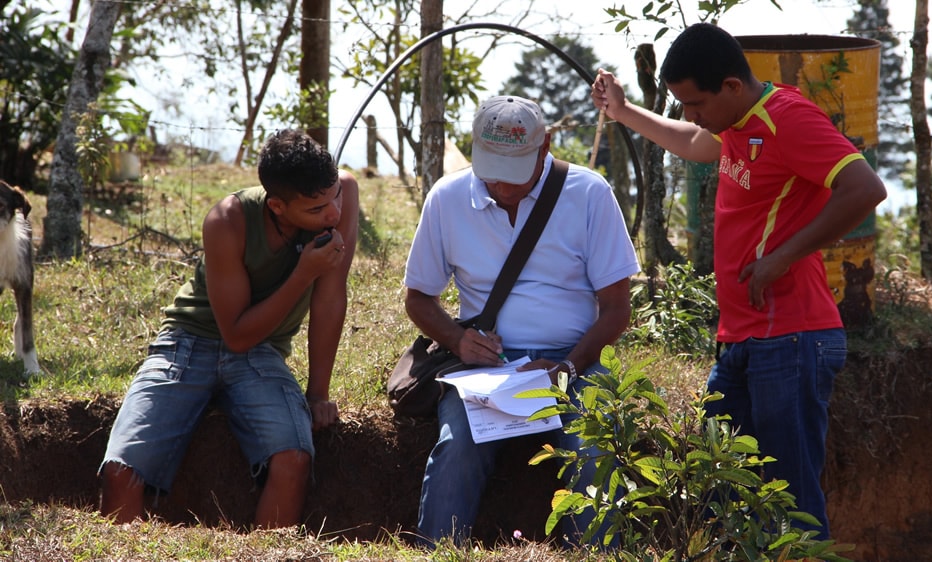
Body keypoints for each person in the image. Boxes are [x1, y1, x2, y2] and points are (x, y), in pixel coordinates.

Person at [591, 23, 887, 540]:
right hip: (743, 338)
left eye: (695, 102)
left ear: (731, 86)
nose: (690, 115)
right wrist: (622, 112)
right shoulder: (734, 123)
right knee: (721, 485)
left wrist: (781, 258)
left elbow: (865, 188)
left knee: (790, 504)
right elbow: (694, 142)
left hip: (791, 338)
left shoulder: (788, 119)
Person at [404, 95, 640, 547]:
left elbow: (616, 309)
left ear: (546, 144)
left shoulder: (589, 195)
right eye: (491, 171)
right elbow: (418, 298)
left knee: (592, 453)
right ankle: (436, 553)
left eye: (514, 173)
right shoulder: (448, 198)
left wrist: (567, 367)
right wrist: (458, 340)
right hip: (484, 373)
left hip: (577, 366)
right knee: (455, 449)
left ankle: (593, 556)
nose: (502, 187)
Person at [98, 129, 358, 528]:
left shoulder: (342, 193)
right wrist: (303, 273)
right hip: (188, 342)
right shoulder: (227, 220)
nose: (333, 215)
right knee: (121, 470)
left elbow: (330, 296)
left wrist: (318, 392)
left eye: (334, 196)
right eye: (317, 209)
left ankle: (269, 556)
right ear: (276, 205)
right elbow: (236, 335)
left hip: (263, 351)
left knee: (293, 458)